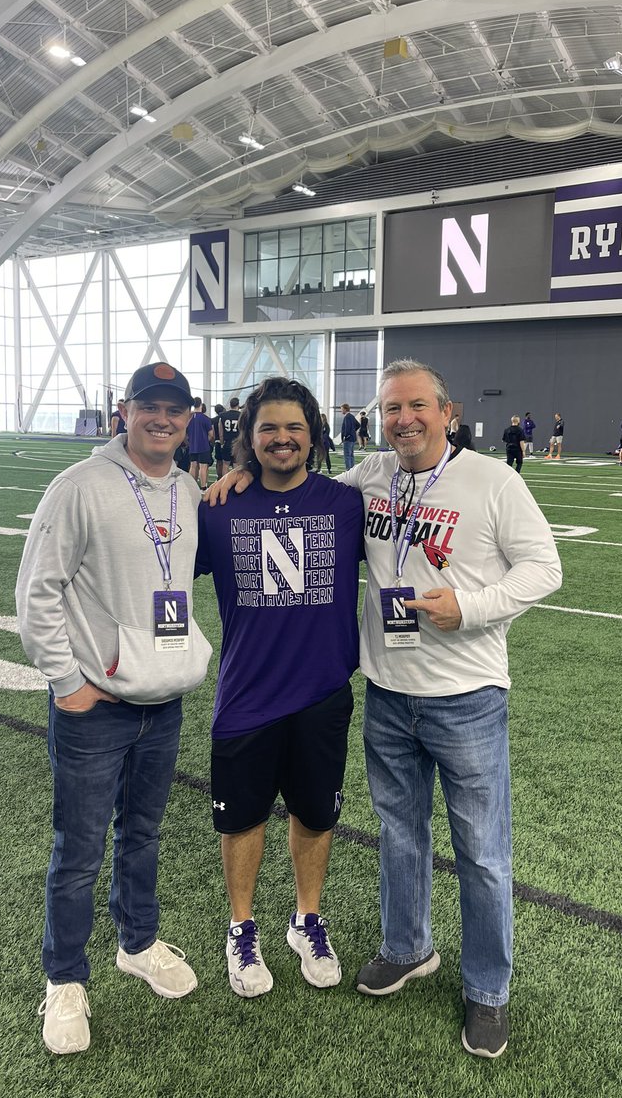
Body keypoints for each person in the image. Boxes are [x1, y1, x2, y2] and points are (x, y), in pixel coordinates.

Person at [206, 359, 561, 1058]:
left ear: (446, 410)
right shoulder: (369, 478)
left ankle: (487, 991)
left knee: (483, 855)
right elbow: (292, 485)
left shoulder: (494, 481)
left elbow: (544, 567)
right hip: (389, 694)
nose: (405, 419)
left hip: (467, 696)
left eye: (417, 406)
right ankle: (408, 948)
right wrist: (241, 471)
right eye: (392, 408)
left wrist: (473, 606)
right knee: (401, 836)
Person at [16, 362, 212, 1055]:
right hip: (94, 707)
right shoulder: (81, 486)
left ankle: (138, 942)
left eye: (176, 408)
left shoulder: (188, 488)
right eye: (151, 406)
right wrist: (65, 681)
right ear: (123, 410)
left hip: (163, 702)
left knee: (145, 834)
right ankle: (64, 978)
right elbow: (37, 590)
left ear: (190, 418)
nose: (164, 418)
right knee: (77, 853)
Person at [196, 378, 364, 999]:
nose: (282, 438)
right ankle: (241, 929)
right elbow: (152, 565)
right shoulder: (219, 509)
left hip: (322, 694)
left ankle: (306, 919)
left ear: (313, 435)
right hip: (245, 695)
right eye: (268, 428)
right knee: (241, 820)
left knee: (315, 814)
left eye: (294, 427)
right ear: (249, 439)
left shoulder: (347, 504)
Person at [187, 398, 214, 489]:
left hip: (192, 446)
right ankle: (203, 487)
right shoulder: (205, 418)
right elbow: (211, 434)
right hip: (203, 446)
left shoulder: (188, 419)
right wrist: (207, 440)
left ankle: (191, 486)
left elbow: (184, 434)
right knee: (203, 467)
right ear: (201, 405)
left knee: (193, 466)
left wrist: (189, 442)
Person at [217, 397, 242, 478]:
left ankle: (224, 483)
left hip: (227, 443)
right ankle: (236, 483)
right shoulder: (241, 416)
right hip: (237, 444)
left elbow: (221, 432)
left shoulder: (223, 415)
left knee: (225, 465)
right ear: (238, 405)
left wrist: (221, 443)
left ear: (230, 405)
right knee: (236, 465)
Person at [340, 403, 358, 471]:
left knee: (347, 455)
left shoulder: (347, 417)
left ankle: (348, 470)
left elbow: (347, 428)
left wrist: (346, 435)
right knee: (351, 455)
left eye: (342, 409)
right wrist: (353, 431)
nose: (341, 411)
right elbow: (358, 425)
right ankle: (352, 470)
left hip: (348, 439)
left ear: (345, 409)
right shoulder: (352, 416)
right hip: (353, 438)